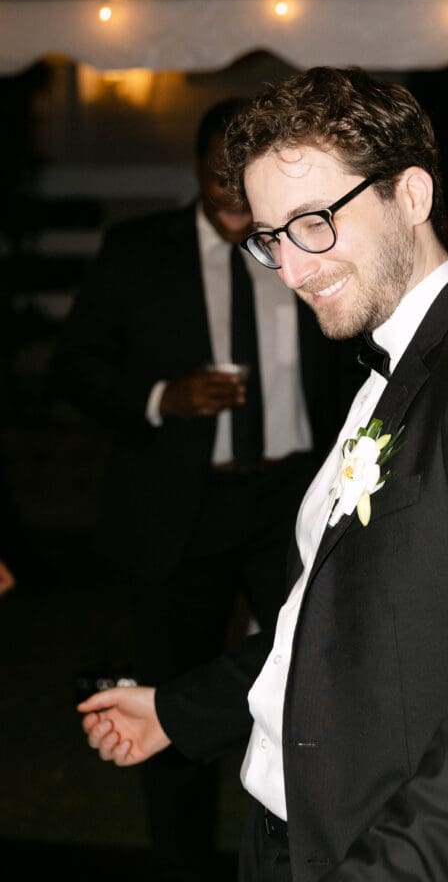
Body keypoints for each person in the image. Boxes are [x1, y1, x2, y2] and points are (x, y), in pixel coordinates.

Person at [77, 67, 448, 882]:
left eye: (313, 222)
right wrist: (177, 712)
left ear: (412, 195)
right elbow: (331, 621)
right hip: (295, 830)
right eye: (268, 238)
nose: (290, 269)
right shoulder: (385, 367)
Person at [50, 97, 361, 881]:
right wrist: (161, 397)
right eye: (220, 173)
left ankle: (305, 853)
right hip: (178, 509)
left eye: (243, 173)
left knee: (312, 683)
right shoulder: (136, 248)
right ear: (195, 167)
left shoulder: (297, 239)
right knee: (171, 699)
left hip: (291, 497)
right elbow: (74, 366)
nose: (231, 190)